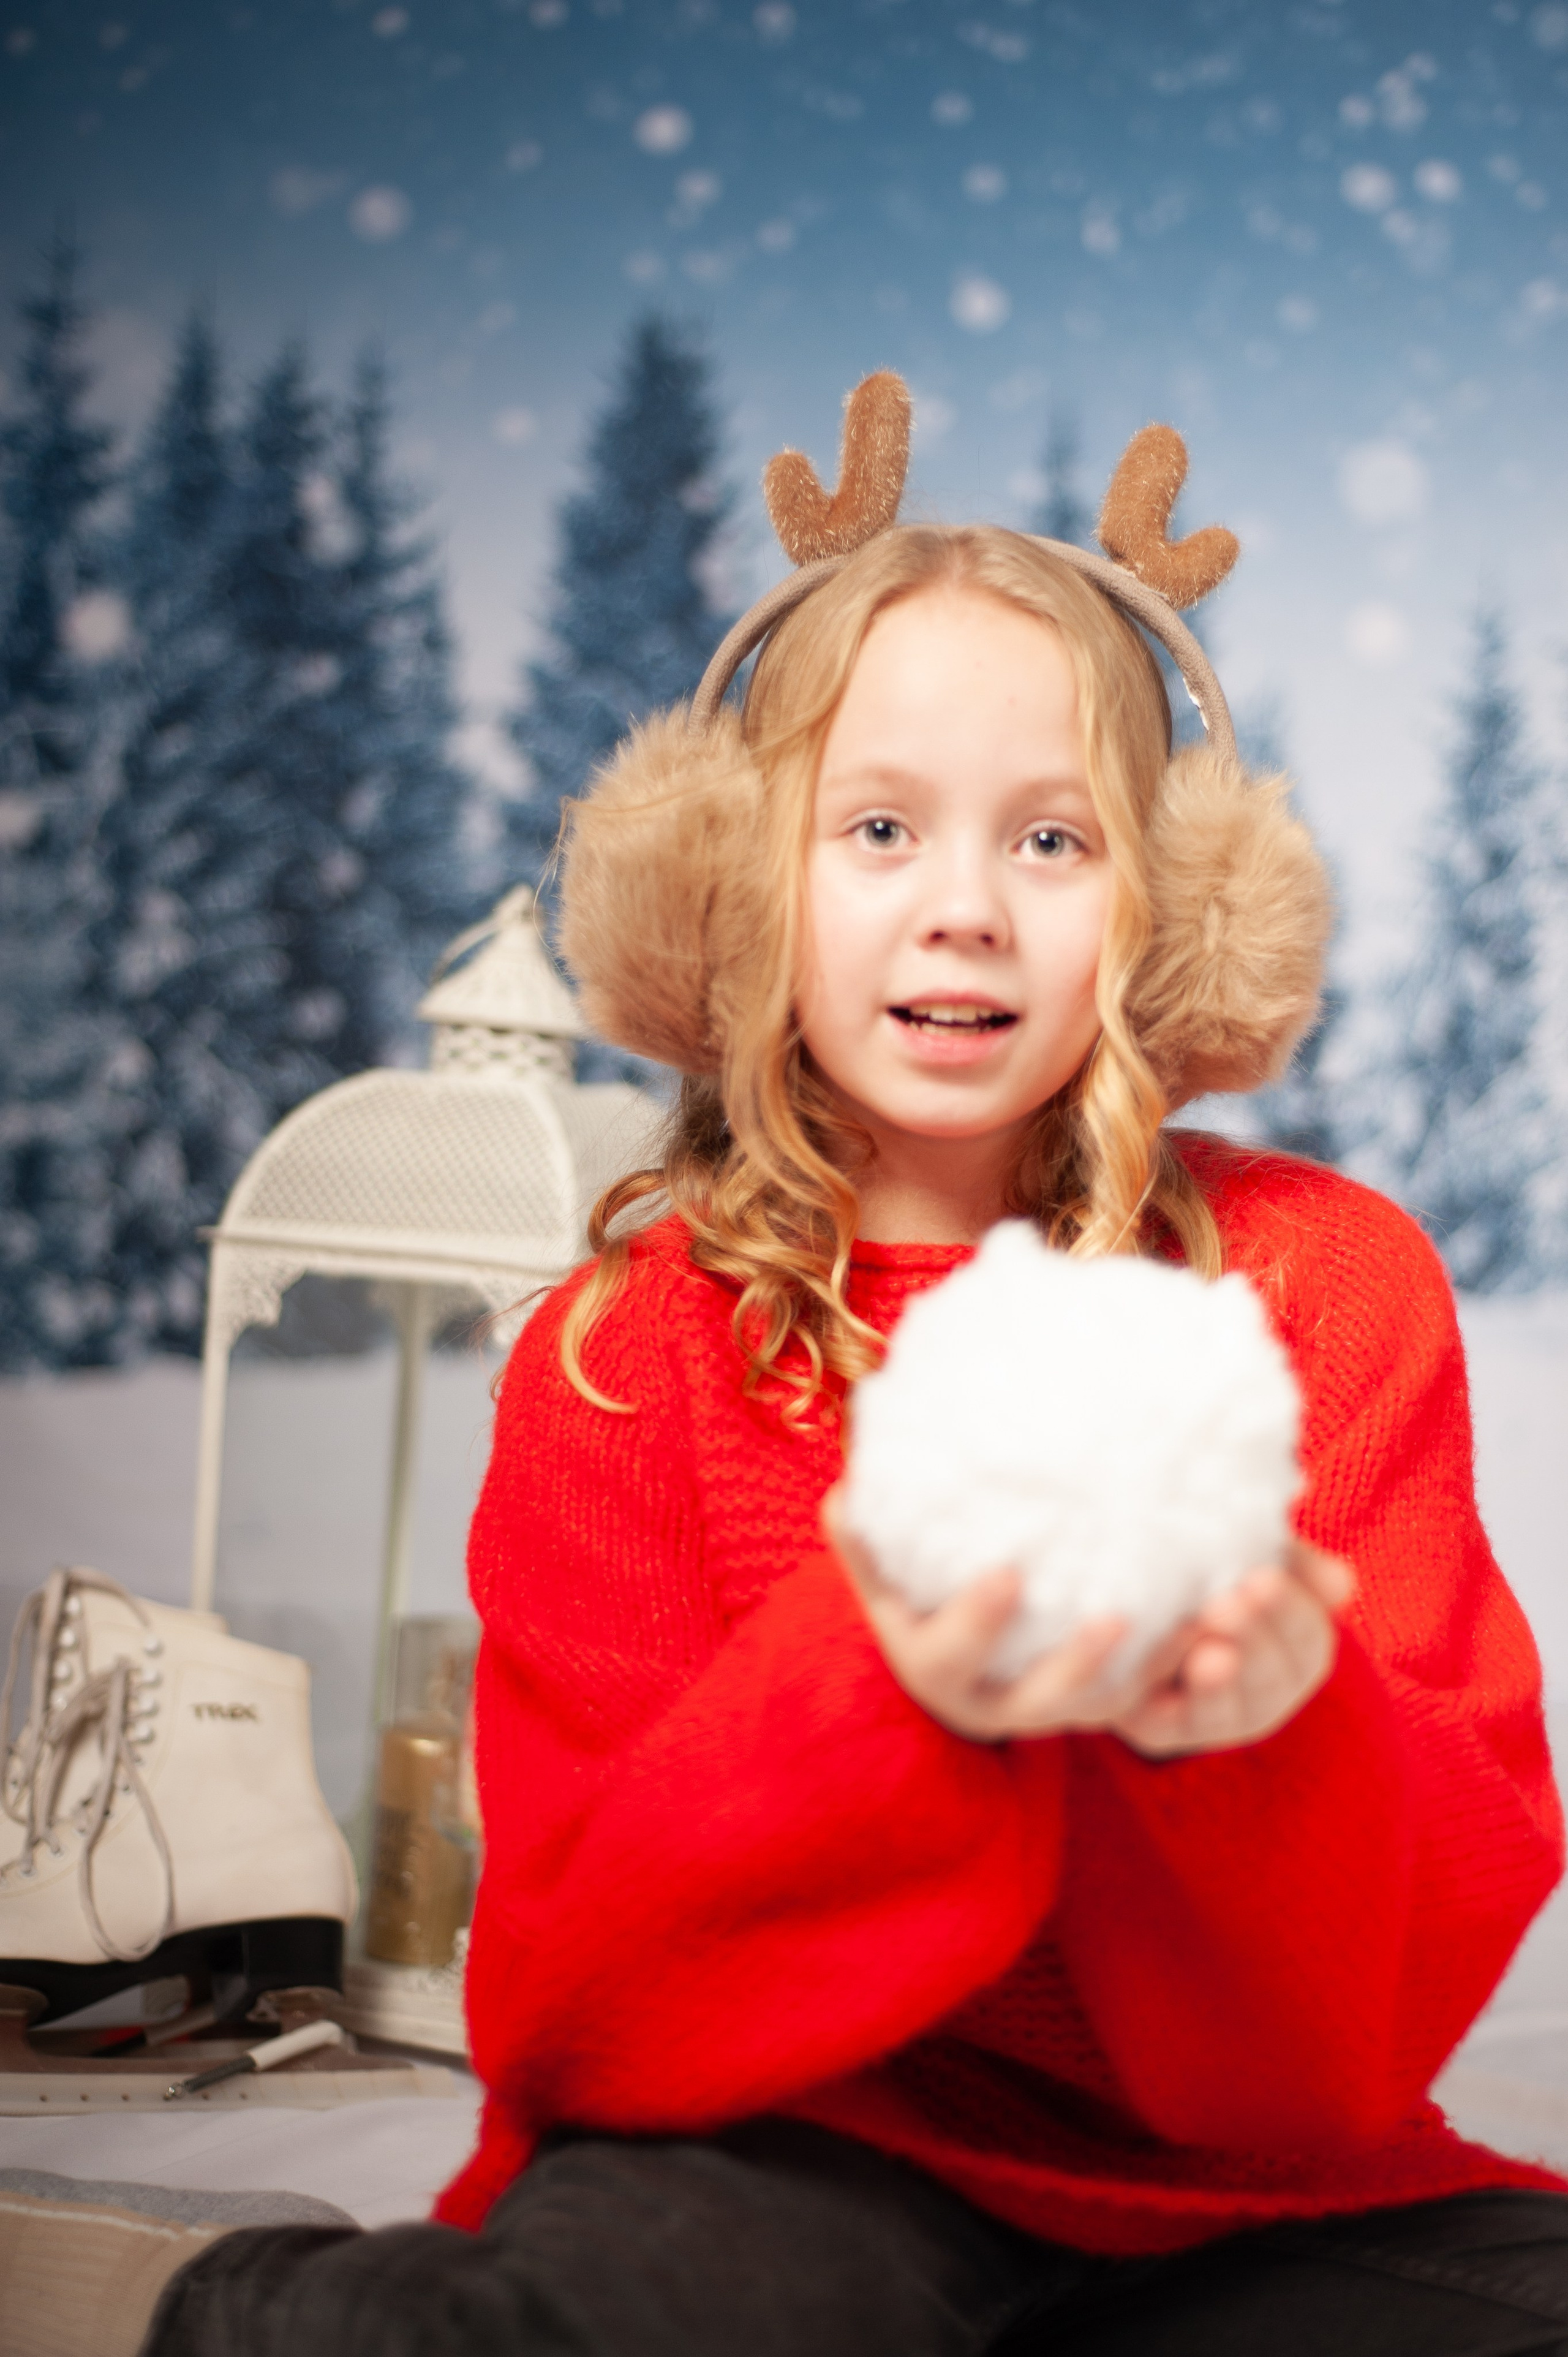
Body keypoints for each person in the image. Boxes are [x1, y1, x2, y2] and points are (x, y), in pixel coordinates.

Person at [140, 377, 1568, 2355]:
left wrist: (1272, 1735)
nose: (964, 908)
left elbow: (1348, 2045)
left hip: (1241, 2199)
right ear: (740, 883)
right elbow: (578, 2004)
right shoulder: (629, 1352)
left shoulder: (1322, 1286)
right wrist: (890, 1680)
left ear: (1166, 906)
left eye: (1053, 838)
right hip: (785, 2147)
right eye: (880, 828)